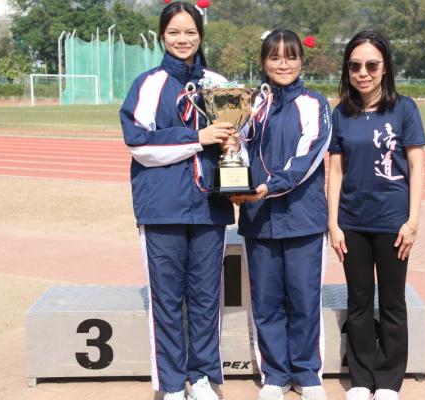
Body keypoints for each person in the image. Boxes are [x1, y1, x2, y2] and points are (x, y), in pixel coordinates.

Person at [119, 2, 235, 400]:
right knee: (167, 300)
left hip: (210, 205)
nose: (182, 39)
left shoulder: (218, 83)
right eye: (174, 32)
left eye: (190, 32)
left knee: (205, 297)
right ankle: (171, 384)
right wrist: (196, 139)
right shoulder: (148, 84)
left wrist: (234, 141)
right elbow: (139, 145)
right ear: (161, 36)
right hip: (162, 207)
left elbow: (235, 135)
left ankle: (201, 377)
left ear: (200, 36)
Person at [230, 29, 332, 400]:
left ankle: (306, 374)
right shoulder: (250, 103)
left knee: (304, 300)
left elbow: (308, 157)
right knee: (266, 301)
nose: (283, 64)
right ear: (263, 62)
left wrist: (266, 187)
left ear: (301, 61)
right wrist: (234, 174)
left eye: (291, 57)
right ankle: (275, 375)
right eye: (275, 57)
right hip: (259, 220)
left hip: (303, 218)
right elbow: (237, 148)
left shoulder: (315, 103)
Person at [327, 30, 425, 400]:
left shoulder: (404, 109)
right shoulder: (341, 113)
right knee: (358, 302)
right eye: (355, 66)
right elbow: (335, 171)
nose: (362, 73)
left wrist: (412, 222)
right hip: (352, 222)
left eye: (371, 65)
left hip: (393, 223)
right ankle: (361, 379)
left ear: (385, 67)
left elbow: (416, 167)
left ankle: (387, 381)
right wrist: (333, 223)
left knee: (393, 302)